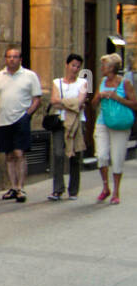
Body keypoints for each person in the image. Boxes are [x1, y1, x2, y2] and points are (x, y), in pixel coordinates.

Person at [0, 45, 41, 203]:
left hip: (21, 119)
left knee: (19, 153)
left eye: (15, 57)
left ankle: (21, 187)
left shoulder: (30, 76)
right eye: (9, 57)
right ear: (5, 59)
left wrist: (27, 115)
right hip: (2, 120)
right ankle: (12, 187)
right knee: (9, 155)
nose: (11, 59)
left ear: (20, 59)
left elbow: (37, 99)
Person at [93, 53, 136, 205]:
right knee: (101, 155)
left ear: (111, 67)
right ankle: (105, 187)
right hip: (103, 121)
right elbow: (93, 104)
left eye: (103, 65)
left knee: (117, 158)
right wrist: (99, 96)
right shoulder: (102, 81)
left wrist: (117, 97)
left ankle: (116, 191)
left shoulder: (125, 83)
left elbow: (135, 104)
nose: (101, 68)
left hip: (120, 122)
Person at [47, 53, 88, 201]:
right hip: (60, 122)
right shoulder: (57, 82)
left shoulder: (83, 83)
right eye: (73, 65)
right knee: (58, 153)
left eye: (78, 66)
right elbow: (53, 101)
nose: (75, 69)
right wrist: (74, 103)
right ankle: (57, 189)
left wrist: (63, 102)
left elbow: (81, 101)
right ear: (67, 65)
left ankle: (73, 190)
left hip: (77, 122)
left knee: (75, 155)